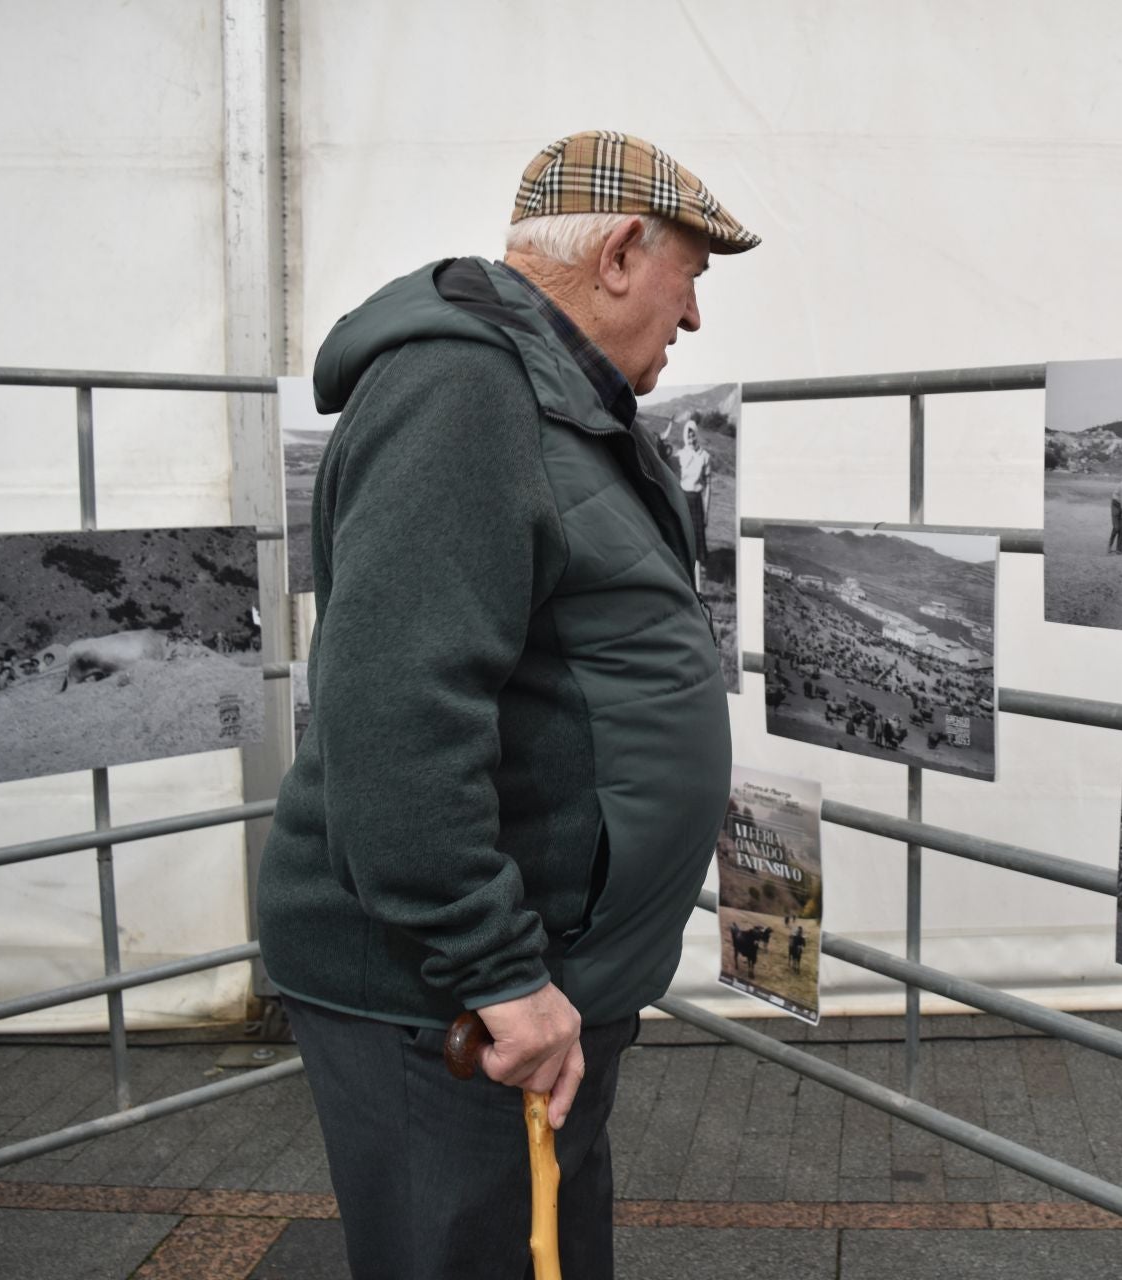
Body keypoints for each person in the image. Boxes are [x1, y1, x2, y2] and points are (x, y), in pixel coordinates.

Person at [256, 130, 759, 1280]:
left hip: (524, 987)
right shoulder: (465, 393)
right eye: (694, 275)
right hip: (456, 1001)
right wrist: (501, 973)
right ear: (624, 251)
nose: (691, 320)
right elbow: (396, 716)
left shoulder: (540, 396)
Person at [676, 417, 712, 584]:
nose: (691, 440)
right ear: (685, 437)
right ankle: (682, 583)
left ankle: (698, 590)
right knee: (681, 543)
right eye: (688, 437)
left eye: (693, 436)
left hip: (697, 502)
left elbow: (708, 487)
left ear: (697, 435)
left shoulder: (705, 457)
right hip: (682, 500)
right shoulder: (680, 456)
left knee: (696, 547)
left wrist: (706, 513)